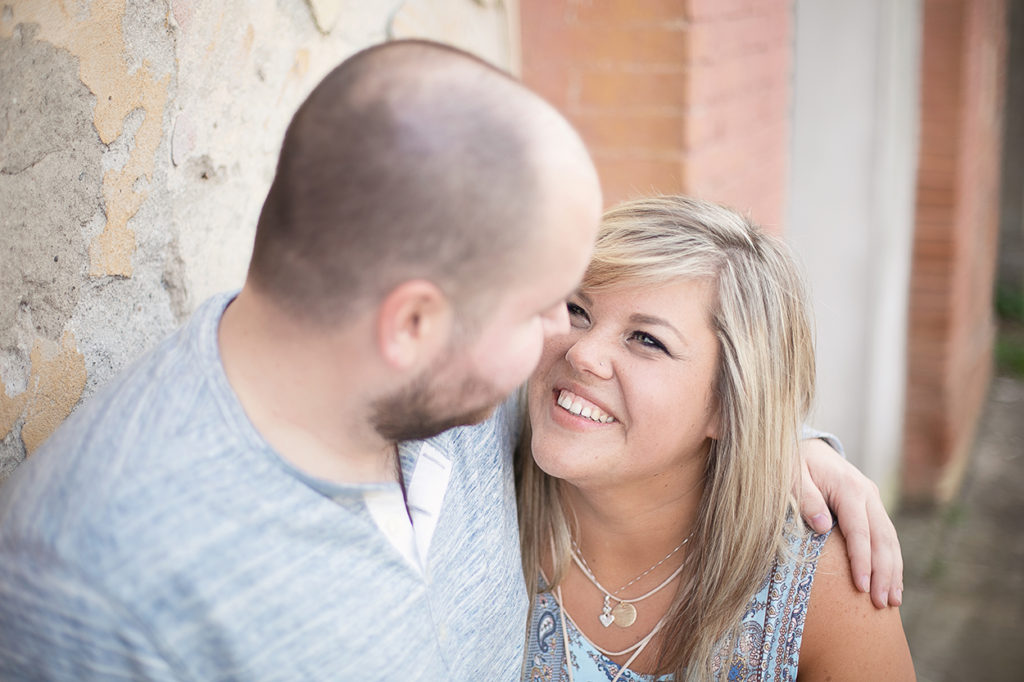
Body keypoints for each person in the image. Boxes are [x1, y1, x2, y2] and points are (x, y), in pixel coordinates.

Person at [0, 41, 898, 680]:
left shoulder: (445, 400)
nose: (566, 341)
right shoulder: (96, 584)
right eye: (550, 305)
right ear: (416, 325)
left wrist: (785, 444)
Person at [519, 196, 915, 681]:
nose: (583, 352)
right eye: (577, 308)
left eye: (647, 339)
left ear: (730, 404)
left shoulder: (823, 584)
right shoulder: (476, 476)